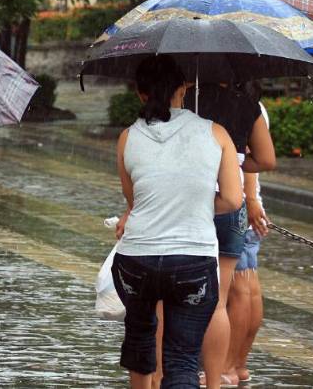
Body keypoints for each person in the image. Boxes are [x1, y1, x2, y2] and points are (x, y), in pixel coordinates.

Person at [113, 56, 243, 389]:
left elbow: (136, 202)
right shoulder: (216, 133)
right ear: (183, 88)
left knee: (141, 345)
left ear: (141, 94)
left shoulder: (128, 137)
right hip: (192, 261)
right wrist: (195, 204)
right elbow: (232, 199)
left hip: (136, 261)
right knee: (182, 360)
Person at [184, 82, 275, 389]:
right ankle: (225, 372)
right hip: (235, 207)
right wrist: (235, 161)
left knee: (186, 292)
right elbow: (266, 160)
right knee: (229, 295)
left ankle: (198, 369)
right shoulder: (248, 104)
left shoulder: (190, 99)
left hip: (201, 200)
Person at [225, 85, 271, 386]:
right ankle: (239, 364)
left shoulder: (237, 105)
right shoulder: (254, 104)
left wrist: (249, 198)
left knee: (238, 290)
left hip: (236, 205)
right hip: (245, 204)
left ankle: (227, 366)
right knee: (249, 286)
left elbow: (250, 157)